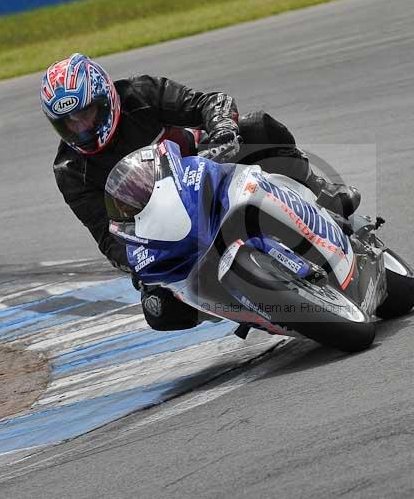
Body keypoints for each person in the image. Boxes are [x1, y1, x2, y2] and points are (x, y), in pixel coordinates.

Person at [42, 53, 359, 331]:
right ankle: (244, 308)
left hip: (207, 170)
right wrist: (136, 260)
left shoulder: (141, 93)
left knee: (258, 127)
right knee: (161, 312)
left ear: (105, 98)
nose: (81, 126)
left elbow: (208, 103)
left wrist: (222, 128)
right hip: (160, 229)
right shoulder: (70, 171)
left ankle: (319, 191)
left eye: (86, 113)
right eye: (69, 123)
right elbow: (107, 237)